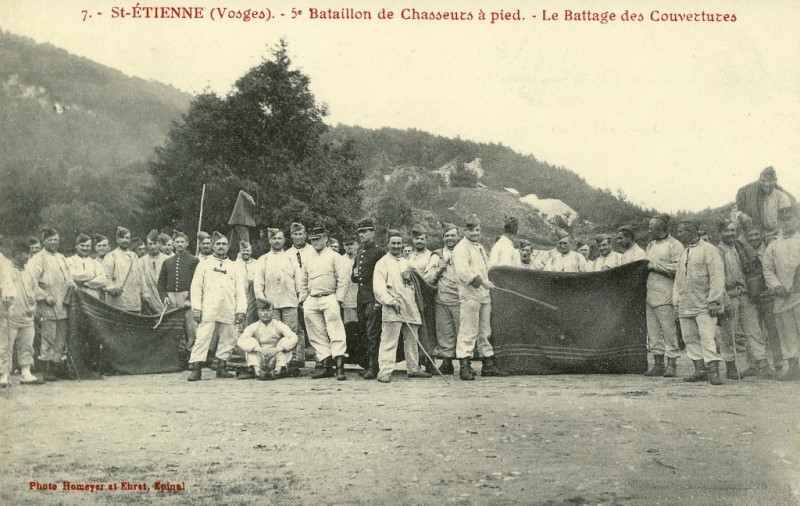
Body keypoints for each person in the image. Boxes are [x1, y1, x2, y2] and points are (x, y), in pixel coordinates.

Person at [187, 231, 246, 381]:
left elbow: (240, 290)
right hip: (209, 307)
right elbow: (196, 287)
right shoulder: (204, 264)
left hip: (228, 307)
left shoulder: (234, 266)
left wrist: (240, 310)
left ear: (228, 247)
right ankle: (196, 368)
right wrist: (196, 308)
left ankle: (222, 367)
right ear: (213, 247)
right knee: (202, 337)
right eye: (218, 244)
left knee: (228, 337)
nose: (221, 247)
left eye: (224, 244)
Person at [373, 229, 431, 382]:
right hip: (392, 307)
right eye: (393, 243)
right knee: (389, 340)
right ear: (387, 244)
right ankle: (385, 372)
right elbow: (379, 289)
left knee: (412, 340)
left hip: (409, 306)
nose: (396, 246)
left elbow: (415, 284)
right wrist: (391, 301)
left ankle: (413, 368)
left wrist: (410, 278)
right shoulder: (382, 263)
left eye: (399, 243)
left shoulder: (406, 263)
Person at [715, 220, 771, 379]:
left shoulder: (741, 248)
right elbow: (717, 278)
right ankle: (731, 366)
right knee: (729, 333)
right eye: (727, 231)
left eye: (733, 230)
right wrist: (724, 299)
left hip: (745, 293)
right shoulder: (717, 251)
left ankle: (761, 364)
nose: (730, 234)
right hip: (728, 295)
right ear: (720, 233)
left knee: (754, 329)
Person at [673, 219, 726, 385]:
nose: (678, 234)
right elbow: (678, 281)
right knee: (689, 338)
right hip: (686, 304)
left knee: (707, 337)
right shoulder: (684, 253)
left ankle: (714, 372)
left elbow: (717, 276)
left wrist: (714, 300)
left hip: (704, 304)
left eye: (681, 231)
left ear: (691, 232)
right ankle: (699, 370)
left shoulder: (709, 250)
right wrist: (676, 303)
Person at [452, 214, 505, 380]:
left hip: (484, 296)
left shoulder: (480, 247)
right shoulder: (461, 248)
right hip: (470, 296)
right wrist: (482, 282)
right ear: (464, 230)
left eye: (477, 230)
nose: (475, 233)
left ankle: (487, 363)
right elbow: (463, 273)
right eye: (471, 230)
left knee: (485, 331)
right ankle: (464, 366)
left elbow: (487, 268)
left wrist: (489, 282)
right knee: (468, 330)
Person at [298, 225, 349, 380]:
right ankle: (326, 367)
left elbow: (343, 279)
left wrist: (339, 299)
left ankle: (339, 368)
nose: (315, 242)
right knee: (316, 333)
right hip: (312, 299)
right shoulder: (308, 257)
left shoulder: (335, 257)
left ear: (326, 239)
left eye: (318, 239)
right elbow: (303, 280)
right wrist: (303, 299)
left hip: (330, 297)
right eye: (312, 239)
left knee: (335, 331)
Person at [26, 227, 75, 382]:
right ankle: (47, 369)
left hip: (63, 303)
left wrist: (73, 286)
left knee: (61, 337)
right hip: (48, 305)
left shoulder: (61, 257)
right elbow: (31, 282)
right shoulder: (38, 259)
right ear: (43, 241)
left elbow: (69, 278)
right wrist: (44, 296)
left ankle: (57, 365)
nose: (53, 242)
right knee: (49, 337)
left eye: (55, 239)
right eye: (50, 240)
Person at [254, 228, 303, 372]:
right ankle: (273, 361)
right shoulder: (263, 259)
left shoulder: (290, 258)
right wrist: (261, 299)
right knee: (273, 332)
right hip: (271, 303)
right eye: (274, 238)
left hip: (290, 301)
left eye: (280, 238)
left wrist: (300, 298)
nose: (277, 241)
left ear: (284, 240)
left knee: (290, 332)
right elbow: (258, 281)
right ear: (269, 240)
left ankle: (289, 361)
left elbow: (299, 279)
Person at [762, 206, 800, 381]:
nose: (786, 223)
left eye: (790, 219)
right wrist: (777, 286)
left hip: (798, 294)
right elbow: (768, 269)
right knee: (787, 332)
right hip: (782, 296)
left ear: (797, 220)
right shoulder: (773, 246)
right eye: (783, 220)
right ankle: (793, 368)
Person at [643, 214, 683, 377]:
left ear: (660, 228)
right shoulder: (650, 245)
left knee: (669, 332)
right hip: (650, 295)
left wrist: (655, 266)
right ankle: (658, 364)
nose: (648, 231)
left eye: (651, 228)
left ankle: (672, 364)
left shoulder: (675, 245)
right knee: (653, 332)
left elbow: (678, 269)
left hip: (666, 296)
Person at [0, 239, 45, 387]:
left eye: (29, 253)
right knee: (5, 346)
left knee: (27, 345)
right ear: (16, 254)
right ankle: (4, 374)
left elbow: (34, 288)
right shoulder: (5, 270)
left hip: (27, 315)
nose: (28, 256)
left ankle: (26, 372)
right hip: (9, 315)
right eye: (25, 253)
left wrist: (45, 296)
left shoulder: (29, 270)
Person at [743, 226, 785, 373]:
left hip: (769, 295)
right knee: (753, 330)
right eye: (750, 235)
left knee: (773, 329)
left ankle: (779, 363)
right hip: (752, 296)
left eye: (756, 234)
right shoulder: (744, 252)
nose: (754, 238)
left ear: (761, 234)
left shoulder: (770, 248)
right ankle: (753, 364)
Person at [157, 231, 200, 369]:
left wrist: (189, 299)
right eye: (177, 242)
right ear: (173, 244)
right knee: (175, 330)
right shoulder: (167, 262)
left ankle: (193, 359)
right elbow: (161, 283)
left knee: (191, 330)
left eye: (182, 241)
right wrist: (164, 297)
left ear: (187, 244)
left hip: (188, 299)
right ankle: (179, 359)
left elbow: (198, 283)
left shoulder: (194, 261)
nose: (180, 244)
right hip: (172, 299)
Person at [424, 223, 461, 374]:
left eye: (453, 235)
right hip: (442, 300)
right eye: (447, 236)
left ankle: (465, 363)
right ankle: (447, 363)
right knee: (444, 333)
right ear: (442, 237)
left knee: (462, 332)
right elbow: (427, 278)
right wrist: (440, 269)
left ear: (458, 237)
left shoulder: (464, 252)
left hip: (461, 299)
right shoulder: (437, 255)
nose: (450, 238)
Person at [352, 218, 385, 380]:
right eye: (360, 232)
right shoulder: (359, 252)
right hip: (362, 298)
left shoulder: (379, 252)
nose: (362, 235)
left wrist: (379, 299)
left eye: (365, 231)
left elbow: (383, 276)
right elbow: (355, 276)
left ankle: (374, 367)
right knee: (363, 331)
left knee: (373, 332)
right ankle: (368, 365)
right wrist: (354, 274)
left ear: (373, 232)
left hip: (373, 297)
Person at [236, 300, 299, 380]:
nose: (265, 313)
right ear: (258, 312)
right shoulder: (254, 326)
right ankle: (258, 372)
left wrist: (278, 349)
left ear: (273, 312)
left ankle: (276, 371)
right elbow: (240, 340)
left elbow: (294, 338)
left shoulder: (278, 324)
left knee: (285, 341)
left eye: (268, 310)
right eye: (262, 311)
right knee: (250, 341)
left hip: (275, 358)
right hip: (260, 358)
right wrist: (258, 349)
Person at [735, 166, 795, 243]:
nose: (767, 184)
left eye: (770, 180)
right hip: (753, 235)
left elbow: (785, 221)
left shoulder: (782, 197)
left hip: (774, 236)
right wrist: (741, 215)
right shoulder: (751, 193)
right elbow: (734, 212)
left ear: (775, 181)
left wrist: (777, 241)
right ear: (759, 181)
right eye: (764, 180)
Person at [288, 222, 314, 368]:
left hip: (311, 292)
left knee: (315, 325)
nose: (298, 237)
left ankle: (320, 357)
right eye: (295, 234)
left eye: (301, 234)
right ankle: (298, 357)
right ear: (291, 236)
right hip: (293, 294)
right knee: (296, 327)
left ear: (305, 235)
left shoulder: (313, 251)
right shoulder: (287, 254)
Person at [103, 227, 145, 313]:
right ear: (117, 239)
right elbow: (105, 278)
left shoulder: (134, 256)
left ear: (130, 240)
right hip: (117, 303)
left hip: (134, 303)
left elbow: (141, 278)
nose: (124, 240)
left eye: (127, 238)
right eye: (122, 237)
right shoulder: (111, 256)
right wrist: (112, 289)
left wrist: (145, 295)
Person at [66, 233, 108, 299]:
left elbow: (102, 280)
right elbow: (72, 276)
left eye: (88, 246)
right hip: (75, 297)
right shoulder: (69, 261)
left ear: (91, 247)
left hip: (93, 296)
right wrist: (92, 276)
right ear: (76, 246)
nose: (85, 248)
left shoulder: (95, 263)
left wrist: (84, 284)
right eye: (82, 245)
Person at [139, 230, 168, 315]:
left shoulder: (167, 260)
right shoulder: (141, 261)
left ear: (159, 244)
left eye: (155, 243)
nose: (152, 247)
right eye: (150, 244)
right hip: (148, 301)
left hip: (164, 300)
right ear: (147, 245)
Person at [235, 241, 258, 326]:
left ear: (251, 252)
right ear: (240, 251)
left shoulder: (257, 263)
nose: (245, 252)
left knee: (251, 320)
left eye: (247, 251)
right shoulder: (235, 264)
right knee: (239, 320)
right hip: (239, 295)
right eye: (243, 250)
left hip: (252, 297)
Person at [341, 235, 359, 325]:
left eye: (351, 244)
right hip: (347, 299)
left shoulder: (361, 259)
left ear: (357, 245)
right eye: (346, 245)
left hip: (361, 297)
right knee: (350, 326)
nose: (349, 247)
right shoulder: (340, 260)